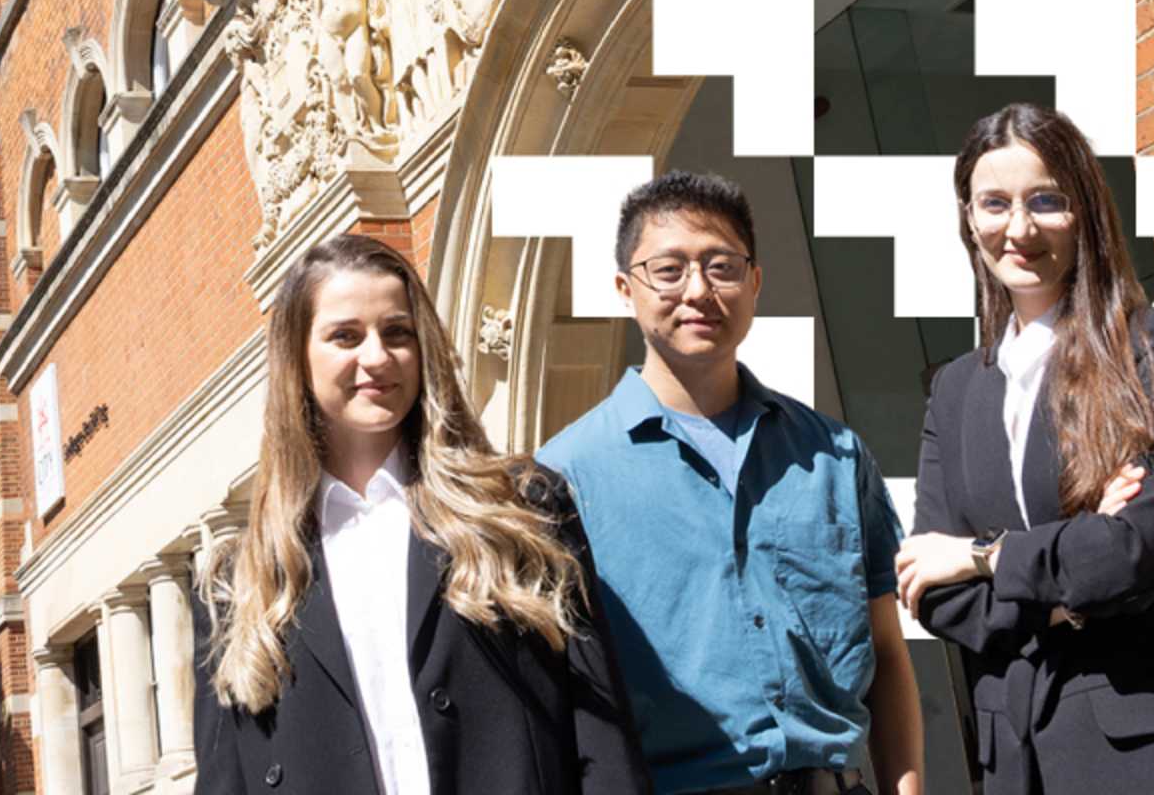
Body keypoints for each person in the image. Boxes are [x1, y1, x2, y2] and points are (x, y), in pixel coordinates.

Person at [891, 101, 1154, 795]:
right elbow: (933, 597)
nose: (1018, 229)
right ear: (969, 218)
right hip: (1025, 761)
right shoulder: (957, 392)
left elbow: (1140, 551)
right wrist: (1072, 581)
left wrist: (980, 557)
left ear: (1083, 210)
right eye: (994, 203)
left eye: (1045, 201)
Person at [189, 233, 646, 795]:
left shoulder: (519, 507)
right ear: (297, 359)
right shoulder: (239, 582)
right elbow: (224, 781)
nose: (377, 357)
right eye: (345, 336)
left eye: (397, 332)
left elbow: (601, 735)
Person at [534, 171, 926, 795]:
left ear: (755, 282)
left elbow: (885, 650)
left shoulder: (831, 454)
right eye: (668, 269)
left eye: (721, 266)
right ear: (624, 289)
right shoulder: (564, 479)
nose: (698, 290)